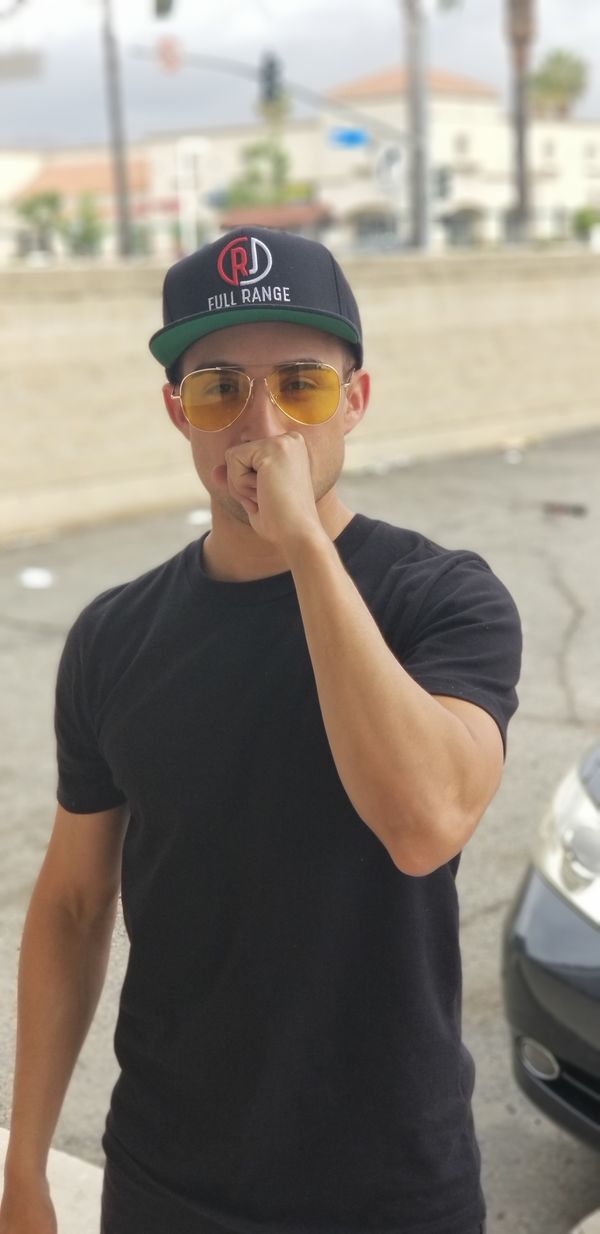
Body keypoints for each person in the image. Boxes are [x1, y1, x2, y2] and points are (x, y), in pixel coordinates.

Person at [0, 226, 521, 1234]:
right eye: (219, 390)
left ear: (355, 401)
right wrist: (25, 1164)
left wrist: (304, 549)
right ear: (178, 413)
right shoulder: (114, 636)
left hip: (389, 1191)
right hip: (165, 1180)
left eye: (301, 385)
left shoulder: (441, 599)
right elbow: (71, 903)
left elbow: (424, 821)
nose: (264, 426)